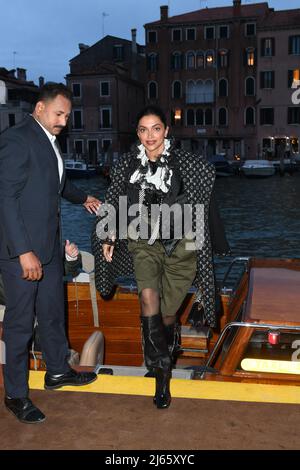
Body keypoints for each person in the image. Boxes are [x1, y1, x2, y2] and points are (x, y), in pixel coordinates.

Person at [92, 105, 229, 409]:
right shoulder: (127, 165)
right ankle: (162, 375)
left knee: (167, 313)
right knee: (147, 299)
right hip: (145, 241)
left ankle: (160, 360)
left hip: (184, 246)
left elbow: (204, 201)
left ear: (166, 131)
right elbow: (114, 199)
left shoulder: (191, 165)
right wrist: (110, 235)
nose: (149, 135)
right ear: (137, 133)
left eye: (156, 128)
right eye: (143, 129)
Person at [0, 82, 100, 424]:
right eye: (58, 114)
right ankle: (15, 394)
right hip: (22, 251)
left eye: (67, 116)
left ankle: (58, 372)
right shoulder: (17, 139)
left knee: (54, 312)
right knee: (20, 324)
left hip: (49, 247)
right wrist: (23, 251)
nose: (63, 121)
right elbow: (5, 198)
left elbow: (56, 183)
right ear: (40, 109)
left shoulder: (48, 141)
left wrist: (82, 197)